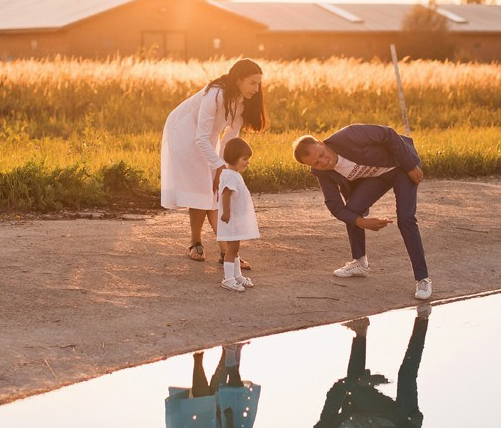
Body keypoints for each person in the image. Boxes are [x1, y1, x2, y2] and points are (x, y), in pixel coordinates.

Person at [292, 124, 431, 300]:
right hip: (377, 177)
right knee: (352, 210)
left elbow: (388, 134)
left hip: (401, 166)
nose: (323, 162)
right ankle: (360, 262)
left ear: (321, 143)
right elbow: (334, 205)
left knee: (406, 219)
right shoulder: (321, 172)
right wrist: (361, 222)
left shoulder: (349, 136)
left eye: (321, 155)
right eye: (316, 163)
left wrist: (410, 165)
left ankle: (422, 278)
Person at [160, 58, 267, 267]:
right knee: (203, 189)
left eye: (259, 83)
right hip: (183, 134)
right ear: (239, 79)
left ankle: (225, 252)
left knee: (215, 189)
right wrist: (217, 166)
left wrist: (227, 166)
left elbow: (230, 137)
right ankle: (198, 243)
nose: (257, 88)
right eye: (252, 83)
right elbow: (199, 137)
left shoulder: (242, 102)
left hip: (207, 138)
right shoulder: (216, 94)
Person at [297, 305, 431, 428]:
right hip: (399, 419)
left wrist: (359, 383)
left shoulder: (324, 425)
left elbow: (335, 394)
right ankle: (423, 320)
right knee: (406, 375)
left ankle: (360, 332)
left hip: (372, 409)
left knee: (351, 389)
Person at [216, 138, 259, 292]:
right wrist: (226, 213)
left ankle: (237, 276)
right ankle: (228, 279)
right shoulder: (230, 176)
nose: (247, 163)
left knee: (235, 249)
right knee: (232, 249)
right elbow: (225, 194)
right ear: (234, 158)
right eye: (245, 159)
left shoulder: (232, 173)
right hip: (231, 220)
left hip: (235, 219)